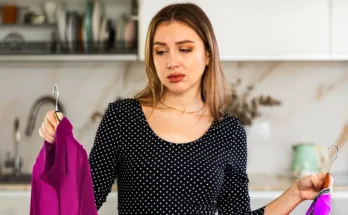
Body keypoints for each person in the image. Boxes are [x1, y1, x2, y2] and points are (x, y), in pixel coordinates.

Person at [38, 3, 332, 215]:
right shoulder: (123, 117)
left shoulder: (228, 132)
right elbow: (81, 201)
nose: (172, 61)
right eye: (160, 50)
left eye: (185, 48)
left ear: (207, 54)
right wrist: (58, 148)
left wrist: (295, 194)